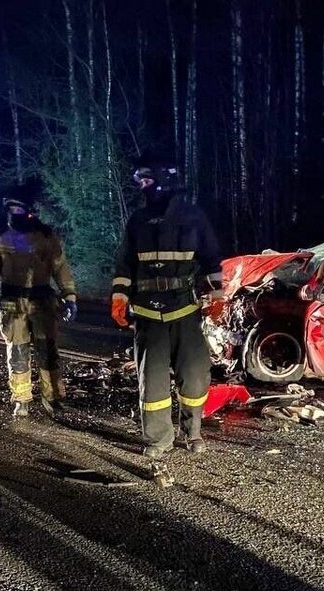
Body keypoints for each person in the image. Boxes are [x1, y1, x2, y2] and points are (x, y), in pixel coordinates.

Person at [111, 161, 223, 457]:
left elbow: (212, 259)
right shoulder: (138, 220)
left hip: (185, 309)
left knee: (195, 374)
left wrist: (217, 297)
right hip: (148, 314)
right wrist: (119, 297)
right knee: (154, 382)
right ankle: (158, 440)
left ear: (162, 180)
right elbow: (124, 263)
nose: (142, 187)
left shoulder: (192, 216)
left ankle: (193, 431)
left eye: (146, 181)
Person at [0, 195, 78, 417]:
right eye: (11, 208)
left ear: (29, 210)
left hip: (43, 303)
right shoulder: (0, 238)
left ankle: (52, 397)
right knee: (18, 351)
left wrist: (69, 296)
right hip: (13, 304)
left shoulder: (45, 236)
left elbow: (60, 267)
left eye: (19, 208)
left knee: (48, 351)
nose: (15, 213)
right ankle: (21, 400)